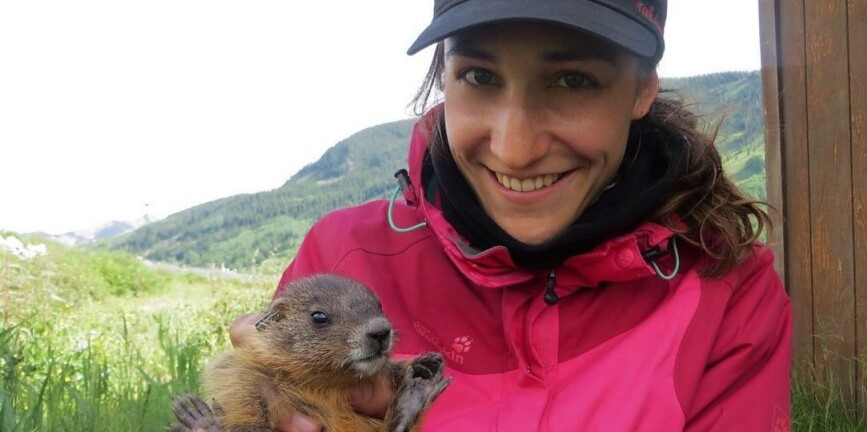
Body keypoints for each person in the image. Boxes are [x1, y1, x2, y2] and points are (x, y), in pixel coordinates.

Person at [229, 0, 793, 430]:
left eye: (574, 80)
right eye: (479, 76)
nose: (515, 148)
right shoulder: (343, 257)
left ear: (643, 88)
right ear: (443, 76)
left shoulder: (728, 294)